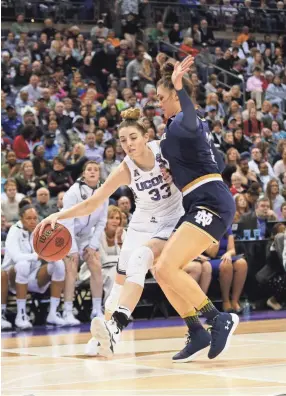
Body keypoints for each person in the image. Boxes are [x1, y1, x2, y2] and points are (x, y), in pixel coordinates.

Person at [38, 57, 239, 363]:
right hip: (148, 220)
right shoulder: (131, 164)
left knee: (148, 261)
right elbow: (94, 201)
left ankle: (124, 326)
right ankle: (117, 334)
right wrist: (58, 215)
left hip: (185, 212)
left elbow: (204, 146)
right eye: (122, 140)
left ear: (146, 136)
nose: (128, 144)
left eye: (133, 137)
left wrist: (181, 89)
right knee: (143, 275)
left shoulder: (166, 146)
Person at [1, 205, 65, 329]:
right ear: (21, 218)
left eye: (35, 218)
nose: (32, 221)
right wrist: (37, 256)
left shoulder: (39, 230)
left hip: (33, 277)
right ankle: (21, 315)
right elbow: (16, 257)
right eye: (28, 218)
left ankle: (53, 312)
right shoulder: (14, 231)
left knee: (59, 264)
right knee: (23, 265)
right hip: (11, 278)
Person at [61, 161, 108, 325]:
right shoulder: (73, 192)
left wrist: (93, 245)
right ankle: (67, 311)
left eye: (96, 169)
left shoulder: (104, 192)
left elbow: (102, 221)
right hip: (68, 233)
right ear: (83, 173)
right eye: (89, 169)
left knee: (96, 264)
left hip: (87, 236)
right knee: (71, 267)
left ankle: (96, 309)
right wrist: (72, 248)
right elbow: (66, 220)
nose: (93, 172)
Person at [205, 228, 248, 313]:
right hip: (210, 259)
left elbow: (232, 250)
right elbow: (212, 253)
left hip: (225, 257)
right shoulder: (208, 228)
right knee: (226, 265)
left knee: (242, 264)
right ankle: (226, 301)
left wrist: (228, 254)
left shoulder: (226, 226)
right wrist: (217, 233)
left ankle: (235, 301)